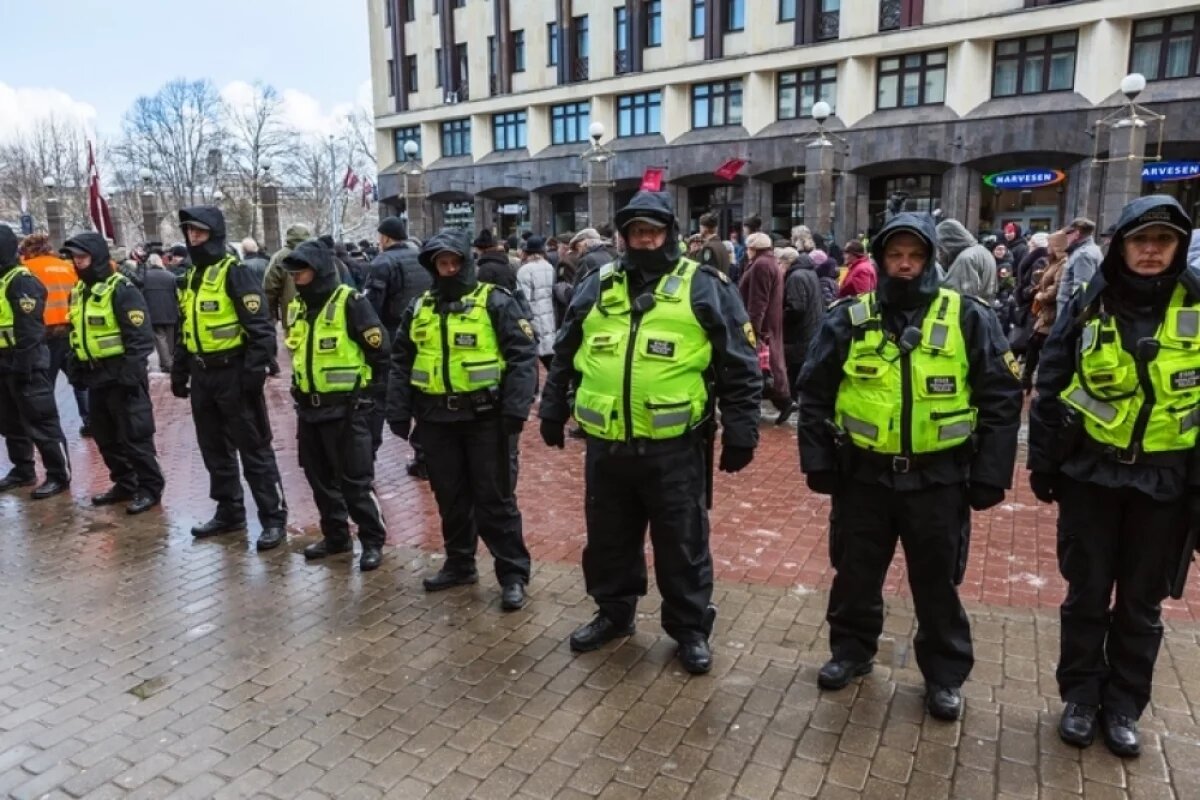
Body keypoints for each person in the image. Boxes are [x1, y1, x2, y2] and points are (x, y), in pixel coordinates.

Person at [798, 212, 1022, 721]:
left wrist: (991, 472)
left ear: (930, 261)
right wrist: (818, 461)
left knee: (937, 582)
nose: (904, 264)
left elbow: (1002, 398)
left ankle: (944, 675)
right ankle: (852, 652)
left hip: (938, 480)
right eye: (895, 255)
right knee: (855, 574)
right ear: (880, 260)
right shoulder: (849, 318)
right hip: (864, 478)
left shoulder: (968, 317)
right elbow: (815, 393)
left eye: (914, 255)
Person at [539, 191, 762, 674]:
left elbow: (740, 365)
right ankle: (614, 613)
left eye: (653, 231)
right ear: (624, 237)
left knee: (681, 543)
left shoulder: (703, 285)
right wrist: (552, 409)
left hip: (675, 450)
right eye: (636, 232)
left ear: (669, 235)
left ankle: (688, 629)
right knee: (608, 540)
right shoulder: (597, 284)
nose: (644, 239)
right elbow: (565, 352)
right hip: (607, 448)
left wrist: (742, 430)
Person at [1028, 196, 1199, 758]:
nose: (1150, 251)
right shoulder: (1087, 303)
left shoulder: (1197, 303)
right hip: (1092, 479)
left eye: (1163, 241)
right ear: (1121, 244)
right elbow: (1050, 384)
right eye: (1140, 239)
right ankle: (1080, 696)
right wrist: (1044, 463)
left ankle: (1124, 705)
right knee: (1087, 594)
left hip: (1165, 486)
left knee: (1141, 606)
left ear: (1177, 248)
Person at [386, 228, 537, 610]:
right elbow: (401, 361)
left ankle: (513, 574)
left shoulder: (494, 302)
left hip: (487, 419)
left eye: (454, 262)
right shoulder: (419, 308)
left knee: (495, 498)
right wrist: (398, 410)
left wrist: (516, 410)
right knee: (451, 497)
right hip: (436, 420)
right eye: (442, 264)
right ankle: (459, 563)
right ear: (433, 268)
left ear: (466, 263)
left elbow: (522, 355)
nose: (449, 269)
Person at [171, 206, 288, 551]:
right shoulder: (190, 276)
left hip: (234, 373)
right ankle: (229, 510)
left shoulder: (234, 273)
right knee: (214, 450)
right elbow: (185, 327)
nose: (193, 238)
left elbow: (261, 330)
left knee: (254, 450)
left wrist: (251, 377)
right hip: (203, 376)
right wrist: (180, 370)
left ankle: (273, 517)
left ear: (215, 235)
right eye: (189, 232)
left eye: (200, 232)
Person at [281, 240, 391, 571]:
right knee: (319, 479)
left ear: (320, 271)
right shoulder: (298, 307)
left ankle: (372, 540)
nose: (296, 277)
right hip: (309, 410)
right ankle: (336, 536)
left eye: (302, 271)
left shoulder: (350, 302)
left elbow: (381, 352)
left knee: (355, 481)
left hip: (346, 410)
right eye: (294, 272)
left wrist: (368, 402)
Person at [62, 234, 163, 514]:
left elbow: (140, 338)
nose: (77, 263)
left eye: (82, 258)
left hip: (122, 376)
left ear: (96, 257)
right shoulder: (80, 290)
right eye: (75, 259)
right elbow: (78, 331)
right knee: (105, 437)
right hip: (96, 377)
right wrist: (76, 365)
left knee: (134, 436)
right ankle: (125, 483)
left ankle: (150, 488)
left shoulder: (121, 289)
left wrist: (129, 375)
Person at [0, 225, 71, 498]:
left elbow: (29, 330)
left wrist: (22, 365)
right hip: (5, 364)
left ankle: (58, 474)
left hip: (26, 364)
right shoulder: (5, 279)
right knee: (11, 423)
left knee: (42, 421)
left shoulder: (22, 280)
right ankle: (23, 469)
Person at [364, 217, 432, 457]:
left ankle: (368, 455)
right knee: (424, 393)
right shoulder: (422, 258)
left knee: (381, 396)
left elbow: (371, 308)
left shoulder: (382, 262)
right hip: (425, 336)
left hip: (393, 336)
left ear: (385, 237)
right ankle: (424, 454)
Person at [18, 233, 90, 436]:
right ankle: (90, 419)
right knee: (80, 379)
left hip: (43, 333)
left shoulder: (26, 270)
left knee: (43, 384)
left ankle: (48, 426)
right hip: (70, 329)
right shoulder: (66, 266)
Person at [740, 232, 791, 420]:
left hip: (763, 327)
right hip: (768, 324)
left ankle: (783, 400)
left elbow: (758, 301)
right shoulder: (768, 262)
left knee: (766, 366)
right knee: (769, 365)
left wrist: (754, 329)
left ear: (754, 248)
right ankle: (783, 401)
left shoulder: (761, 264)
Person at [781, 246, 823, 420]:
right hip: (812, 327)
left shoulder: (796, 276)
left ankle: (794, 402)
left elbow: (796, 308)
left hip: (800, 332)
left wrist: (780, 317)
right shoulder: (809, 272)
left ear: (786, 262)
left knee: (795, 369)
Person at [516, 236, 557, 371]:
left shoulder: (525, 270)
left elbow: (523, 298)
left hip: (533, 315)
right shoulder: (549, 267)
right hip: (549, 314)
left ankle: (536, 389)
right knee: (548, 350)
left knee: (533, 353)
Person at [263, 223, 313, 332]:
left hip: (291, 316)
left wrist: (270, 314)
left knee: (294, 345)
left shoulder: (279, 257)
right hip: (316, 315)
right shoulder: (314, 255)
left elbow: (269, 288)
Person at [937, 219, 998, 301]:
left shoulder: (966, 258)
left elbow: (959, 293)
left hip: (970, 310)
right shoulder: (983, 251)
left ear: (949, 241)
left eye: (941, 247)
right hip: (985, 306)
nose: (940, 252)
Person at [1056, 216, 1104, 318]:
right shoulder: (1089, 250)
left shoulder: (1083, 255)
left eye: (1068, 233)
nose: (1066, 237)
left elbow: (1081, 291)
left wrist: (1071, 322)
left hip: (1069, 316)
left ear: (1077, 234)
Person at [142, 253, 180, 373]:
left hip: (154, 313)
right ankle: (170, 360)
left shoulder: (145, 277)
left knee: (160, 338)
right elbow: (177, 294)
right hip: (170, 312)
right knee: (170, 338)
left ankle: (167, 363)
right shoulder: (170, 276)